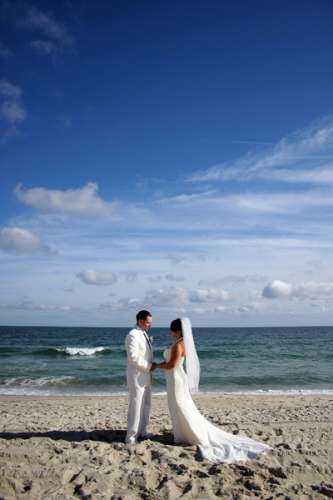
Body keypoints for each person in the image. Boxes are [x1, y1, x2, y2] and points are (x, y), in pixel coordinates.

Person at [152, 317, 272, 463]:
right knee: (178, 406)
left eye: (171, 330)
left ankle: (190, 434)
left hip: (176, 379)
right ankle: (182, 434)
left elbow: (171, 365)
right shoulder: (182, 343)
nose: (170, 332)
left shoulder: (179, 345)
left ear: (176, 330)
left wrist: (157, 366)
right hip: (174, 379)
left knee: (181, 406)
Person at [125, 310, 156, 444]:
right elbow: (133, 358)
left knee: (146, 404)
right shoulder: (132, 335)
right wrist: (149, 366)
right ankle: (131, 437)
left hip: (146, 376)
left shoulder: (143, 334)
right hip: (137, 376)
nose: (150, 325)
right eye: (148, 322)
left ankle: (142, 431)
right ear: (140, 321)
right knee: (136, 405)